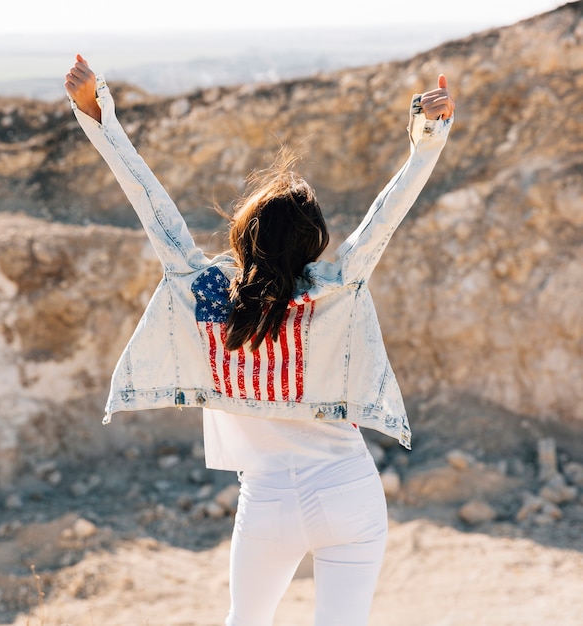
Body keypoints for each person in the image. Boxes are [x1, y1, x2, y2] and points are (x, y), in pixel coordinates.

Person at [65, 54, 454, 626]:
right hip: (348, 489)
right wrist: (429, 134)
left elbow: (150, 204)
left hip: (267, 499)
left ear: (242, 234)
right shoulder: (336, 286)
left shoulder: (207, 294)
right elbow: (387, 213)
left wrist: (98, 115)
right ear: (316, 240)